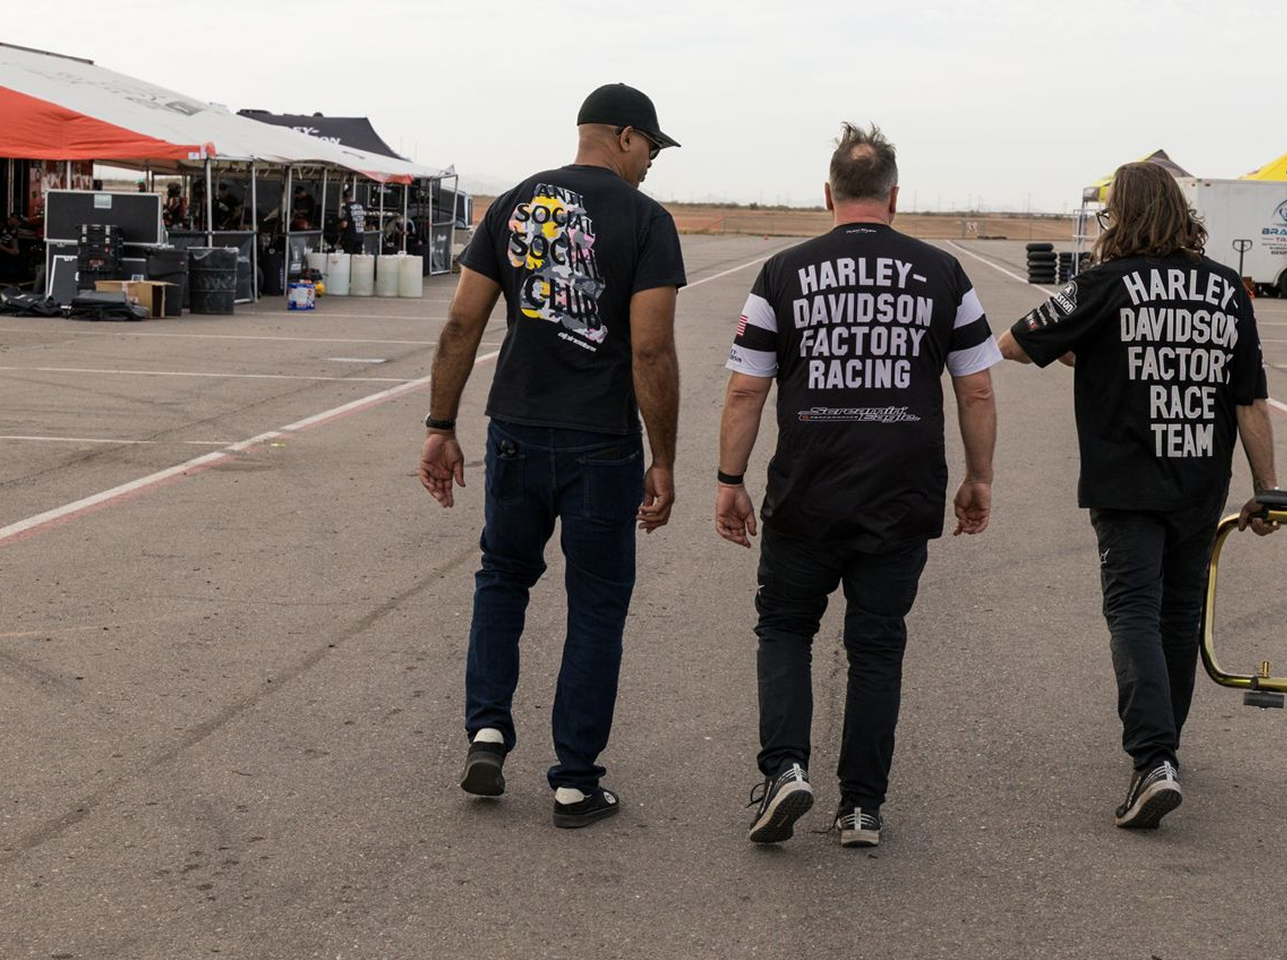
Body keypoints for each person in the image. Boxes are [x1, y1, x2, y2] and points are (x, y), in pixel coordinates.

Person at [718, 123, 1000, 848]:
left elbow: (746, 392)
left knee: (785, 626)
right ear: (895, 197)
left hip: (807, 491)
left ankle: (785, 770)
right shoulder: (944, 275)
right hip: (901, 495)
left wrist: (729, 480)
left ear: (828, 195)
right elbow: (976, 392)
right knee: (877, 646)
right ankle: (861, 808)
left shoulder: (782, 273)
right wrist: (979, 479)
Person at [418, 82, 685, 830]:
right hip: (600, 444)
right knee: (596, 605)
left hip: (515, 432)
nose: (652, 165)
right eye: (652, 149)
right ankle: (574, 780)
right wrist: (663, 459)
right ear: (625, 137)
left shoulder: (511, 204)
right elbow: (651, 347)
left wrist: (441, 424)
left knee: (503, 578)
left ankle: (489, 730)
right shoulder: (645, 221)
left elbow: (461, 324)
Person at [994, 161, 1283, 830]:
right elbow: (1251, 401)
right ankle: (1165, 748)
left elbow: (1013, 343)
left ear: (1121, 215)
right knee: (1177, 616)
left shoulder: (1101, 285)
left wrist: (1085, 349)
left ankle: (1153, 759)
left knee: (1131, 611)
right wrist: (1268, 491)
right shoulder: (1225, 290)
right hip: (1199, 482)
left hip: (1126, 482)